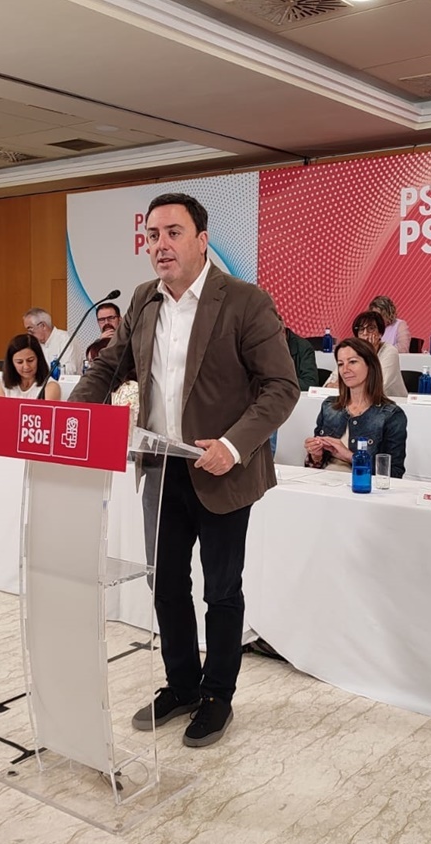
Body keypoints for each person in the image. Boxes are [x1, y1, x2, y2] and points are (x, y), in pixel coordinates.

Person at [70, 192, 298, 748]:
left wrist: (233, 444)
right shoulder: (146, 300)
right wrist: (70, 415)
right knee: (166, 584)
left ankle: (218, 696)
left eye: (173, 233)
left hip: (221, 469)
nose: (160, 245)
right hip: (161, 470)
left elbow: (282, 386)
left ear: (202, 239)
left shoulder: (243, 300)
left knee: (221, 591)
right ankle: (182, 684)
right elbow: (108, 368)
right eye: (152, 235)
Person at [304, 338, 407, 478]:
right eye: (340, 364)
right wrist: (315, 455)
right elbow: (314, 465)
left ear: (370, 365)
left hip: (363, 488)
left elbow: (393, 474)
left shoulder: (391, 415)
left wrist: (350, 456)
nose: (345, 370)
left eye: (352, 362)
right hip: (324, 481)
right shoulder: (329, 406)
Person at [325, 312, 406, 398]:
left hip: (390, 404)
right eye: (361, 329)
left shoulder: (390, 351)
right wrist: (331, 386)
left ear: (380, 334)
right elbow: (328, 384)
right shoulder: (351, 351)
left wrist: (370, 353)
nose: (365, 333)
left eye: (371, 329)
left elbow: (378, 386)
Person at [0, 334, 61, 400]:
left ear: (39, 359)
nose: (26, 366)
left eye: (30, 360)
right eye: (19, 362)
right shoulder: (4, 385)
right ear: (11, 363)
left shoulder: (50, 387)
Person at [23, 307, 83, 375]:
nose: (28, 334)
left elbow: (70, 370)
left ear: (43, 326)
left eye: (30, 329)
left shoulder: (66, 339)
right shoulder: (35, 344)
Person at [283, 320, 318, 391]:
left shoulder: (303, 347)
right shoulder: (264, 347)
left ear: (282, 331)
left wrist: (282, 382)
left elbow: (310, 383)